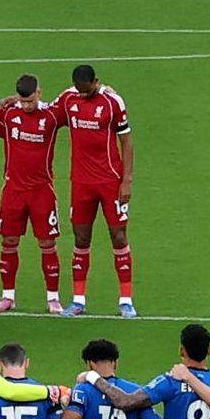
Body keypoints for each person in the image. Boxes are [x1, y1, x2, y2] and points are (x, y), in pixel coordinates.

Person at [56, 62, 137, 315]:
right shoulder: (69, 99)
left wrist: (126, 180)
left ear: (96, 82)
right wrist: (16, 99)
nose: (82, 94)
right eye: (79, 90)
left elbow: (127, 142)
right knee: (81, 237)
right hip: (81, 183)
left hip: (110, 182)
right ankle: (78, 300)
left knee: (119, 236)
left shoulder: (113, 103)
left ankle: (126, 301)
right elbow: (43, 112)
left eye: (87, 90)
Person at [0, 73, 61, 311]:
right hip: (13, 190)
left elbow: (76, 104)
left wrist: (105, 92)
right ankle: (8, 296)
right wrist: (3, 103)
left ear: (40, 92)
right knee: (9, 241)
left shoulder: (51, 116)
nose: (27, 106)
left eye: (31, 101)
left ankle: (53, 298)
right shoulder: (9, 114)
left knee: (47, 242)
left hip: (41, 191)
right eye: (23, 101)